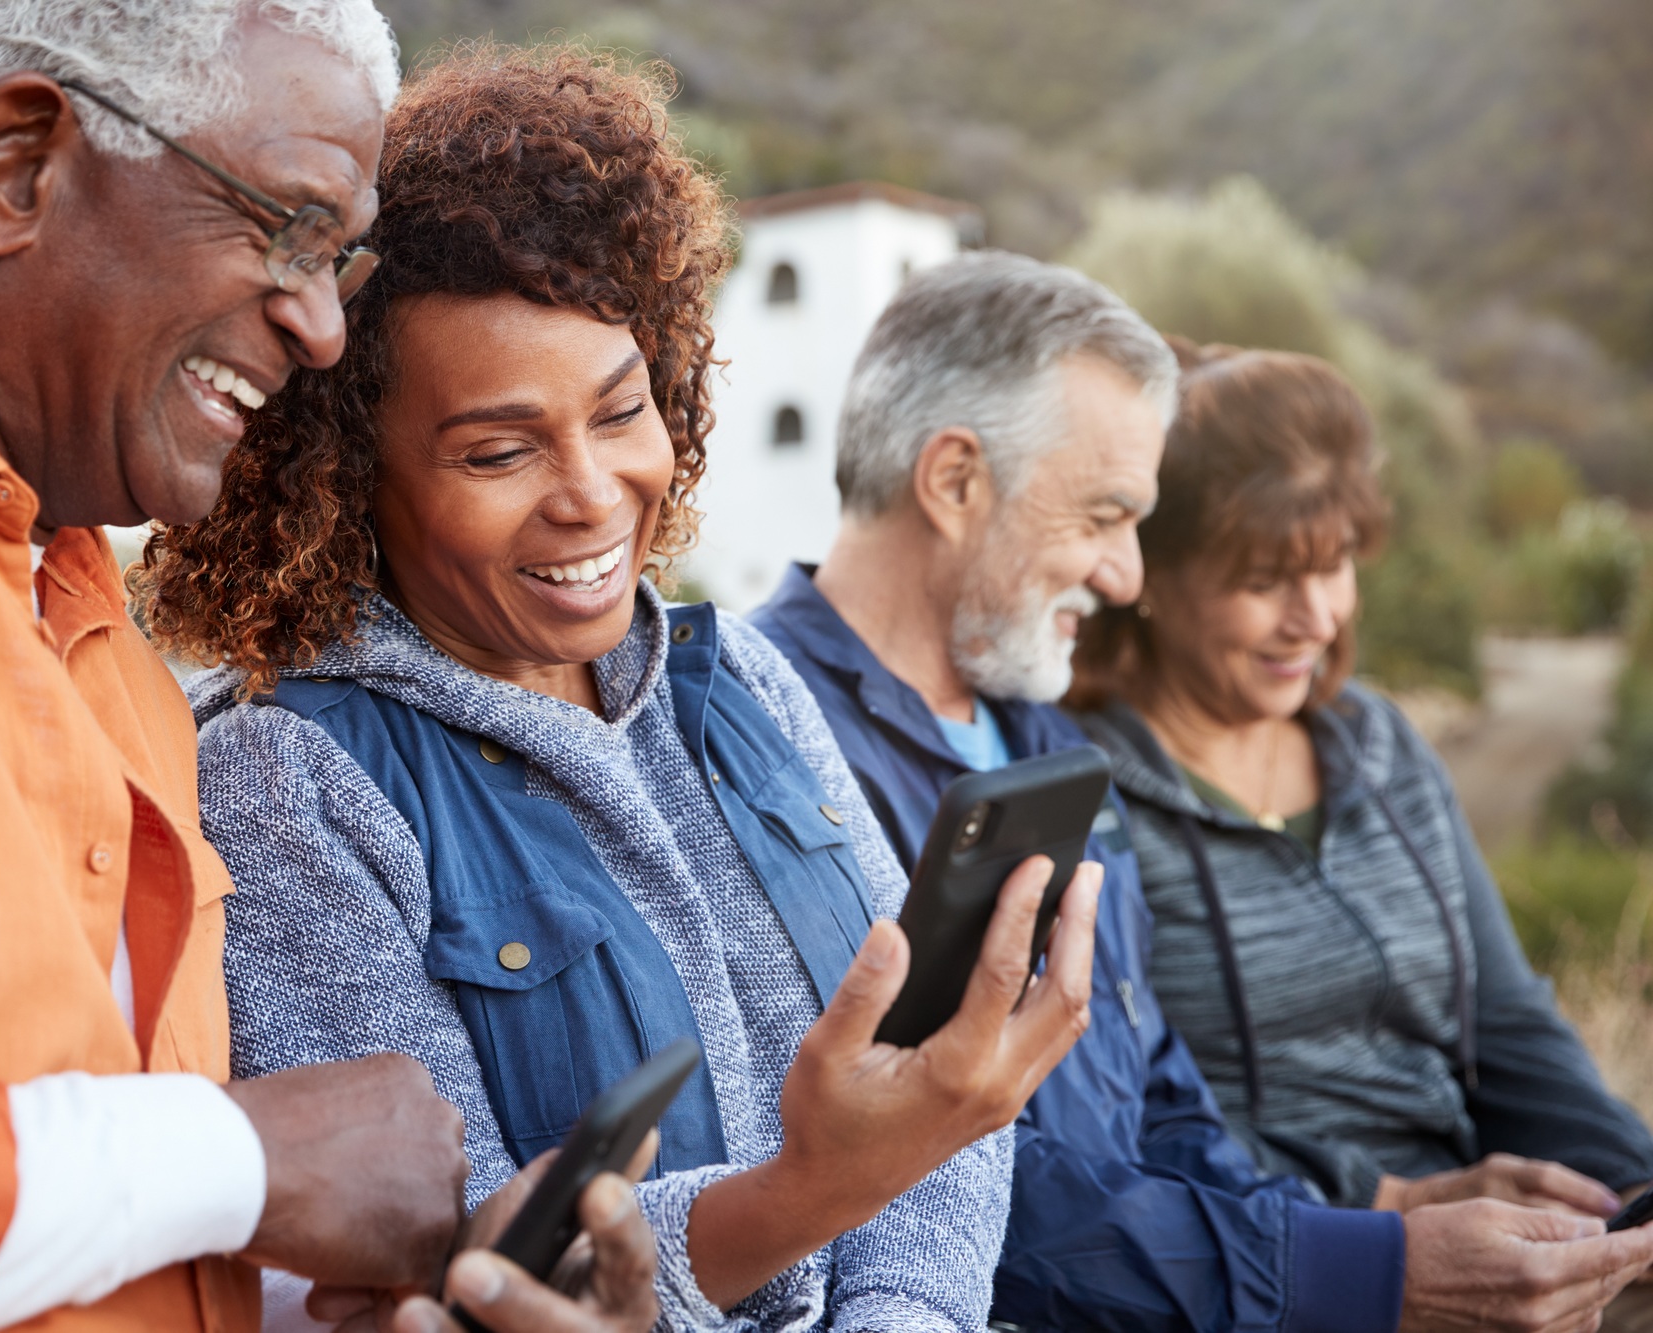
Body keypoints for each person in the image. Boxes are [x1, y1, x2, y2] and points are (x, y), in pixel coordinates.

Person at [0, 3, 659, 1330]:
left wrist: (401, 1294)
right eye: (288, 230)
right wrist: (237, 1160)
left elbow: (99, 1235)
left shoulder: (109, 651)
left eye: (338, 264)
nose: (322, 332)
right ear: (18, 163)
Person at [139, 44, 1100, 1333]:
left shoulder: (738, 674)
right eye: (497, 449)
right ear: (344, 476)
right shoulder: (286, 783)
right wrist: (806, 1188)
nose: (592, 494)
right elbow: (461, 1254)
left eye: (619, 409)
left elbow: (928, 1105)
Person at [751, 250, 1653, 1331]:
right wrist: (1365, 1265)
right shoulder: (768, 748)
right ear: (951, 481)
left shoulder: (1034, 728)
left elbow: (1164, 1106)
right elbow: (947, 1186)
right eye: (1102, 517)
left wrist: (1373, 1243)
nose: (1125, 577)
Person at [1066, 340, 1653, 1322]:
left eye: (1332, 563)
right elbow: (1127, 1124)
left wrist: (1629, 1190)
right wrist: (1388, 1217)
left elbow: (1508, 1024)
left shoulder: (1377, 743)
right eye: (1264, 578)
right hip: (1295, 1269)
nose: (1315, 616)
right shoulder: (1084, 794)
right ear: (1147, 574)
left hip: (1492, 1241)